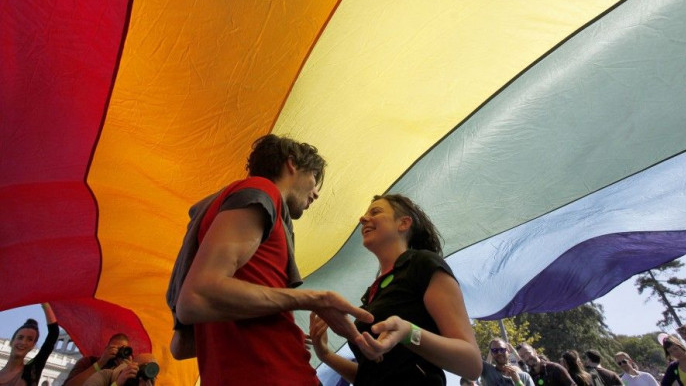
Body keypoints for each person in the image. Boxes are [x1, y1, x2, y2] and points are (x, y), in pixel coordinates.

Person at [175, 134, 373, 385]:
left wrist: (273, 324)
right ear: (292, 164)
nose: (316, 193)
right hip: (274, 373)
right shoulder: (261, 191)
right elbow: (197, 295)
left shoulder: (214, 221)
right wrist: (317, 299)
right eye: (314, 178)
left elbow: (181, 346)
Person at [310, 194, 482, 385]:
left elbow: (472, 364)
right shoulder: (371, 295)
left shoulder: (423, 265)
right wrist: (325, 354)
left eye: (375, 211)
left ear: (403, 224)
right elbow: (373, 376)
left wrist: (409, 333)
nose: (362, 219)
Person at [0, 303, 59, 386]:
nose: (23, 342)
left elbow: (53, 333)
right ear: (12, 341)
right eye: (20, 337)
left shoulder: (32, 370)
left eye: (29, 339)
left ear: (32, 346)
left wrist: (45, 303)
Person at [62, 333, 129, 386]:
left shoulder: (125, 369)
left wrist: (126, 370)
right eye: (115, 349)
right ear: (106, 349)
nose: (119, 353)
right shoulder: (88, 361)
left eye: (123, 350)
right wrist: (100, 363)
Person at [81, 352, 158, 386]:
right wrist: (117, 384)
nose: (145, 378)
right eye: (143, 368)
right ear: (131, 366)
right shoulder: (106, 375)